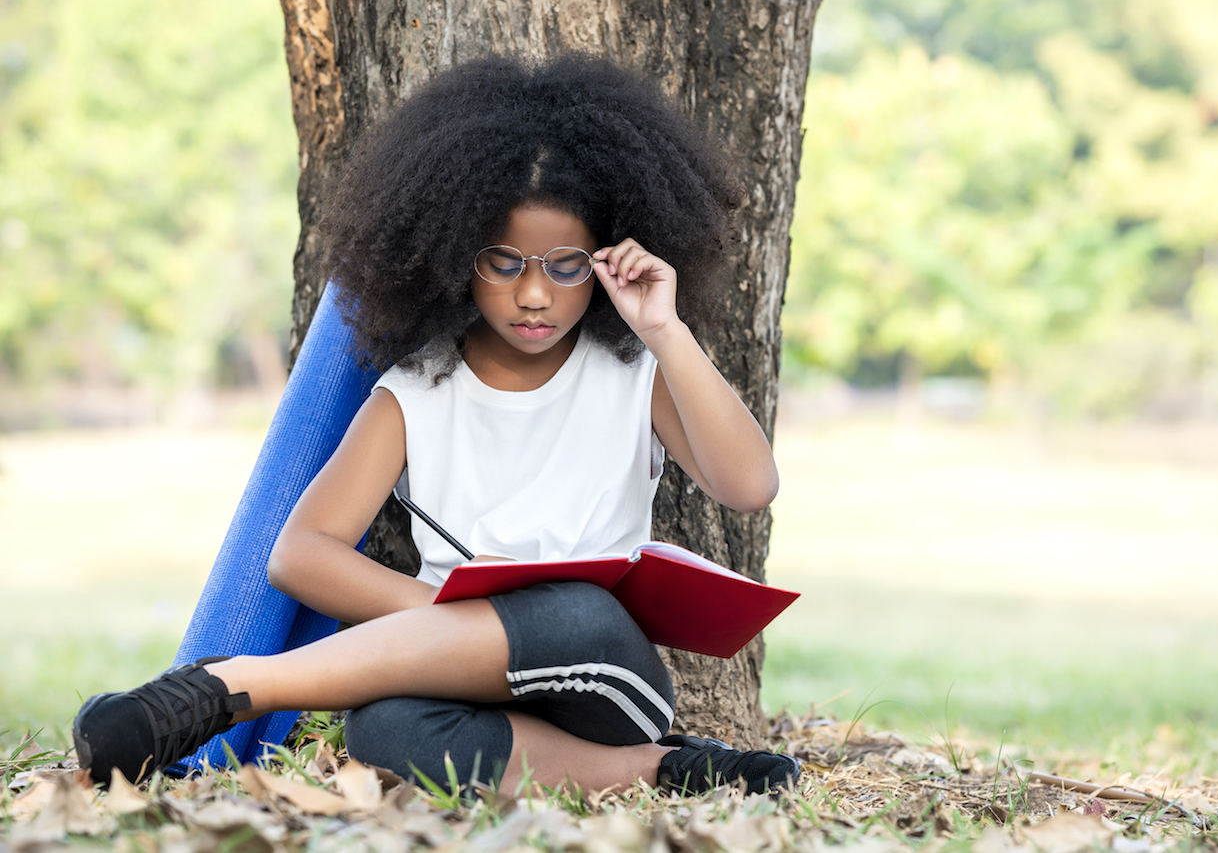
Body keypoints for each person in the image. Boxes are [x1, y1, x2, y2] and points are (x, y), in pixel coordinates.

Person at [72, 54, 799, 798]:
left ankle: (231, 686)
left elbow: (748, 485)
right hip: (455, 685)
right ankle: (671, 770)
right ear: (456, 255)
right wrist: (447, 619)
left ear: (606, 261)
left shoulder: (636, 373)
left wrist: (666, 329)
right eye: (504, 262)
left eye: (567, 266)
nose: (535, 294)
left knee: (574, 613)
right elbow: (300, 555)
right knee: (380, 728)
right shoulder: (416, 391)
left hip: (597, 672)